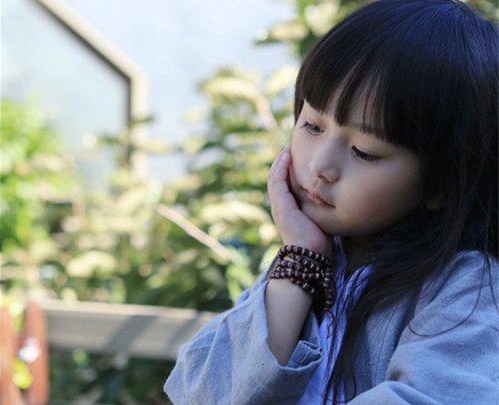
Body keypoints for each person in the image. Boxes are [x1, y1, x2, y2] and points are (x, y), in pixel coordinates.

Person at [164, 0, 498, 403]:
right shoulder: (314, 263)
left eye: (364, 151)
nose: (320, 165)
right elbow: (201, 393)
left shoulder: (469, 289)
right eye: (312, 125)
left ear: (442, 183)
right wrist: (300, 262)